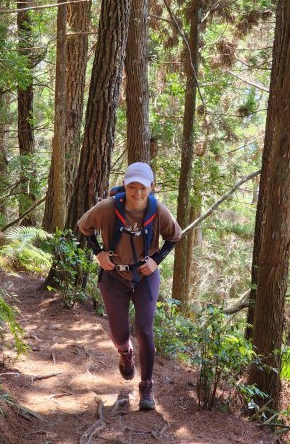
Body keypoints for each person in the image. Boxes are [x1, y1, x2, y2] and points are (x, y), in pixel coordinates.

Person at [77, 162, 181, 410]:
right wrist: (98, 253)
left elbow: (174, 236)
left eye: (143, 188)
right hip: (113, 276)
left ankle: (146, 386)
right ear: (125, 185)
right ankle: (125, 354)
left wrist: (156, 261)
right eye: (132, 187)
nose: (137, 193)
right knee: (120, 334)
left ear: (151, 187)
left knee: (144, 330)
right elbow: (85, 226)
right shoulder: (108, 208)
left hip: (145, 277)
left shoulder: (158, 211)